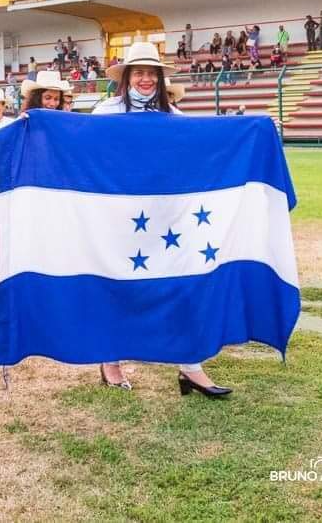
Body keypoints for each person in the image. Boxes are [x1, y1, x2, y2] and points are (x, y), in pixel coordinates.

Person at [93, 41, 231, 397]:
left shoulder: (175, 117)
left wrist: (252, 128)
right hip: (121, 217)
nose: (145, 79)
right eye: (138, 72)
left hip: (167, 219)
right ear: (125, 78)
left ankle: (191, 367)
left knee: (180, 286)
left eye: (150, 73)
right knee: (120, 286)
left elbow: (199, 150)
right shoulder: (106, 112)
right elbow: (83, 151)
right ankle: (111, 360)